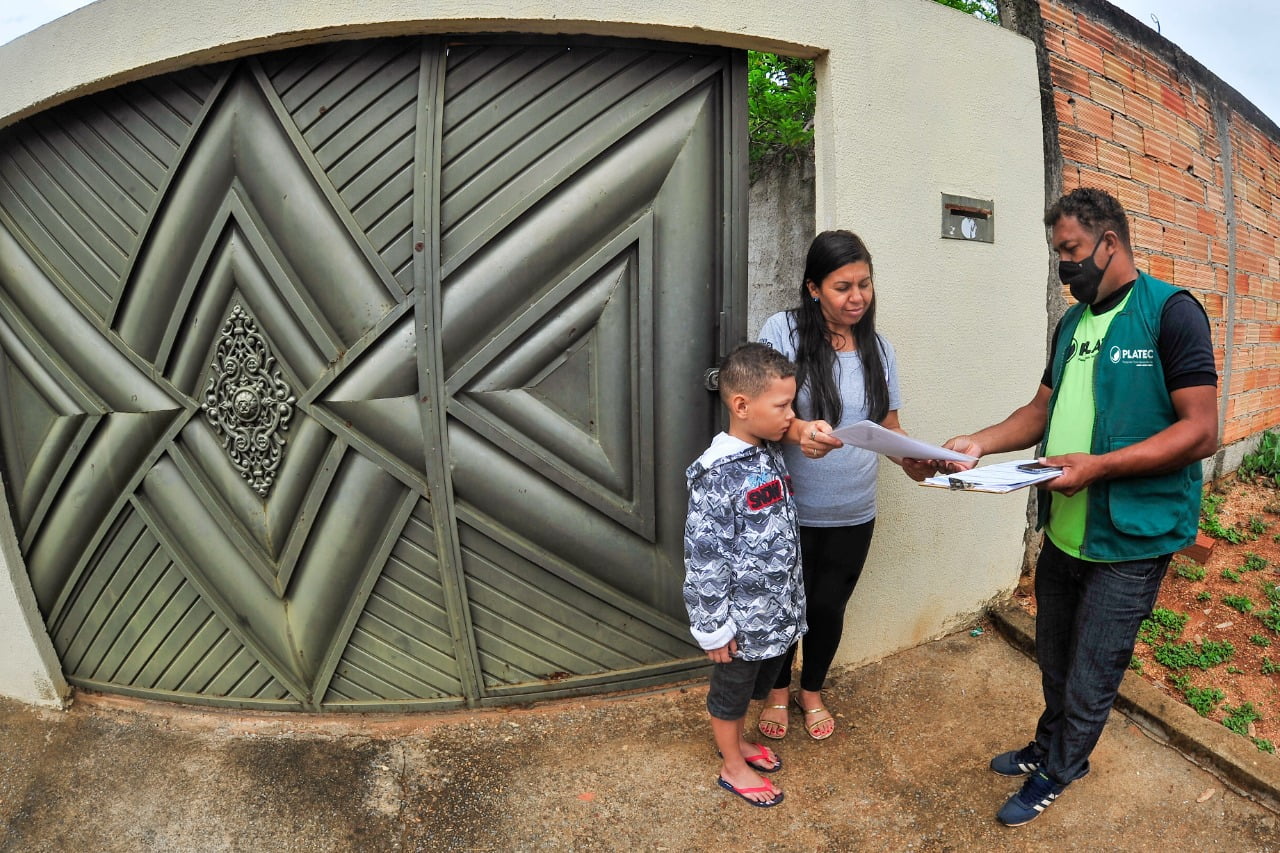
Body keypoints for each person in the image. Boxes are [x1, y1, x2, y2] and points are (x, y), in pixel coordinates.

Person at [939, 187, 1218, 826]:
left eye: (1070, 250)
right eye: (1057, 252)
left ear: (1109, 243)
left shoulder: (1170, 313)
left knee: (1093, 670)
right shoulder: (1071, 326)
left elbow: (1200, 429)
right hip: (1065, 529)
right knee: (1056, 656)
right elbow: (1039, 412)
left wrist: (1098, 468)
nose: (1063, 264)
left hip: (1131, 536)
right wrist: (978, 444)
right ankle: (1049, 744)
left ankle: (1064, 769)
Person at [755, 230, 933, 742]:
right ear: (813, 288)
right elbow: (761, 409)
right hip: (787, 508)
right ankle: (776, 694)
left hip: (853, 510)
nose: (857, 298)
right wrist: (798, 430)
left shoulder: (879, 349)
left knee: (828, 608)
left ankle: (812, 692)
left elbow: (889, 428)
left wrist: (914, 462)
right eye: (842, 287)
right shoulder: (782, 332)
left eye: (865, 285)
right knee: (784, 606)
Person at [683, 342, 807, 808]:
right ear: (741, 406)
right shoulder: (717, 474)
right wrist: (713, 626)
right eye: (782, 406)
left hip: (774, 611)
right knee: (731, 694)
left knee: (755, 686)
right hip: (740, 623)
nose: (790, 415)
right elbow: (704, 557)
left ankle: (738, 746)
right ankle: (731, 764)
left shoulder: (767, 449)